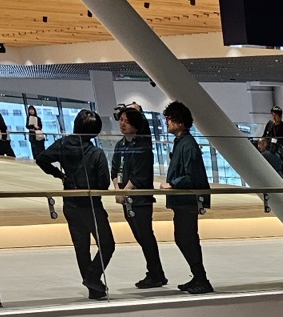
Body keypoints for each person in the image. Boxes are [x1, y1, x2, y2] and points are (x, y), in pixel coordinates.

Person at [34, 108, 115, 300]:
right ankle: (92, 278)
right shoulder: (96, 153)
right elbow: (104, 183)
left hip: (70, 202)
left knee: (81, 247)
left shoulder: (63, 144)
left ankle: (93, 288)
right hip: (91, 204)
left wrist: (60, 175)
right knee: (107, 244)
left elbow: (41, 159)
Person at [112, 104, 166, 289]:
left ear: (136, 125)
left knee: (145, 236)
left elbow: (139, 176)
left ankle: (155, 273)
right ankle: (156, 273)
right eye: (121, 120)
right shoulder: (120, 145)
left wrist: (124, 191)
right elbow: (115, 169)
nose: (122, 124)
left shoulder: (142, 147)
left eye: (127, 121)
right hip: (126, 198)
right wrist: (118, 189)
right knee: (140, 236)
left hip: (140, 199)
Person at [162, 100, 213, 294]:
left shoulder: (187, 144)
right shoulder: (182, 143)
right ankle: (198, 276)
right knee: (184, 238)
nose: (167, 122)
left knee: (187, 238)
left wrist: (173, 184)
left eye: (170, 118)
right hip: (183, 200)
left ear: (180, 121)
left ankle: (201, 278)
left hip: (187, 200)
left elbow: (190, 176)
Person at [25, 107, 57, 219]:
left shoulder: (37, 118)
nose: (31, 112)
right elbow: (27, 126)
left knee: (40, 148)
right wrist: (32, 127)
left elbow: (41, 126)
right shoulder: (29, 119)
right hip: (33, 135)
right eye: (30, 110)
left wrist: (37, 127)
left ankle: (41, 158)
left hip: (38, 135)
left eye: (32, 110)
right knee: (35, 148)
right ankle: (36, 159)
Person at [258, 106, 283, 181]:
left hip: (280, 155)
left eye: (276, 115)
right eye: (273, 115)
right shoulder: (269, 124)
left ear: (280, 116)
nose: (274, 117)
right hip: (269, 153)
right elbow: (264, 136)